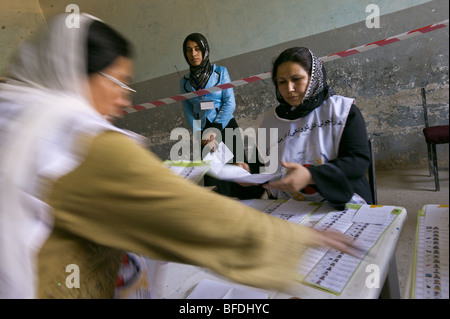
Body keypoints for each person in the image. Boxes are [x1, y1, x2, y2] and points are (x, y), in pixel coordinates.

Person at [0, 16, 360, 299]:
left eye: (296, 80)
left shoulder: (18, 118)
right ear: (75, 74)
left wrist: (218, 129)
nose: (125, 100)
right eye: (118, 82)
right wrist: (294, 238)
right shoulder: (78, 141)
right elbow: (190, 214)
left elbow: (355, 160)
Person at [240, 47, 373, 210]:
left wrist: (311, 176)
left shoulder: (342, 111)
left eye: (296, 79)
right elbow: (261, 170)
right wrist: (246, 172)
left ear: (314, 78)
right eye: (281, 82)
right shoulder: (266, 122)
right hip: (288, 208)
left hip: (342, 203)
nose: (289, 88)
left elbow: (357, 161)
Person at [179, 33, 261, 198]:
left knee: (240, 171)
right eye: (189, 50)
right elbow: (187, 110)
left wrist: (215, 129)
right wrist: (199, 134)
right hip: (204, 134)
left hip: (226, 126)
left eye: (197, 49)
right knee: (216, 177)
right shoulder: (184, 81)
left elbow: (229, 103)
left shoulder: (220, 73)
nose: (193, 54)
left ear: (205, 50)